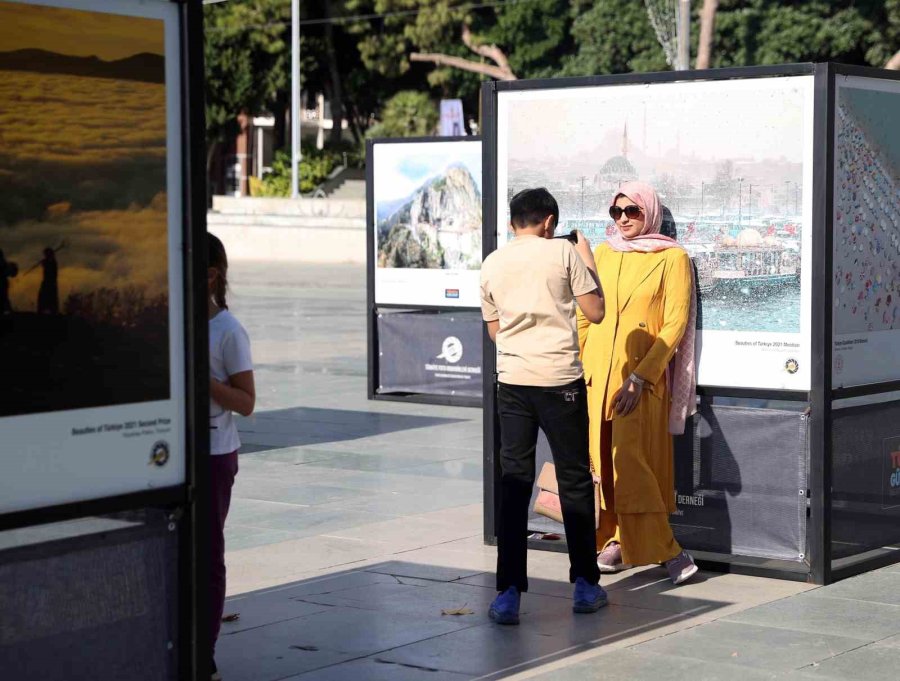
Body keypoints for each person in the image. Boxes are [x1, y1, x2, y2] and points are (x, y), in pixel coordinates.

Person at [480, 187, 607, 625]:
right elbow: (596, 312)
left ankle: (508, 593)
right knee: (573, 480)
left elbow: (495, 330)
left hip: (513, 383)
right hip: (560, 382)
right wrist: (587, 256)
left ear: (515, 221)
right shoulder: (563, 254)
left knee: (514, 483)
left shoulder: (492, 263)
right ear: (549, 222)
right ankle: (585, 586)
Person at [578, 181, 698, 585]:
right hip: (597, 377)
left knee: (632, 464)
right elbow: (585, 310)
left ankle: (668, 550)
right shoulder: (604, 252)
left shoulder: (672, 257)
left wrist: (640, 377)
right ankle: (616, 539)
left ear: (649, 211)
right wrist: (581, 362)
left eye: (632, 211)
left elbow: (675, 323)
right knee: (600, 464)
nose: (624, 219)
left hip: (640, 381)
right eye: (617, 212)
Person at [207, 233, 255, 679]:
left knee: (207, 552)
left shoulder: (228, 331)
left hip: (215, 455)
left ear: (210, 275)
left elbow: (245, 401)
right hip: (170, 454)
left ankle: (204, 652)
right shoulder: (170, 321)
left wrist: (202, 382)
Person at [37, 247, 58, 314]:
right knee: (42, 300)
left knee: (50, 301)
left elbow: (51, 272)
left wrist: (45, 263)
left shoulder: (52, 262)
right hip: (47, 283)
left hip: (50, 284)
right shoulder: (49, 261)